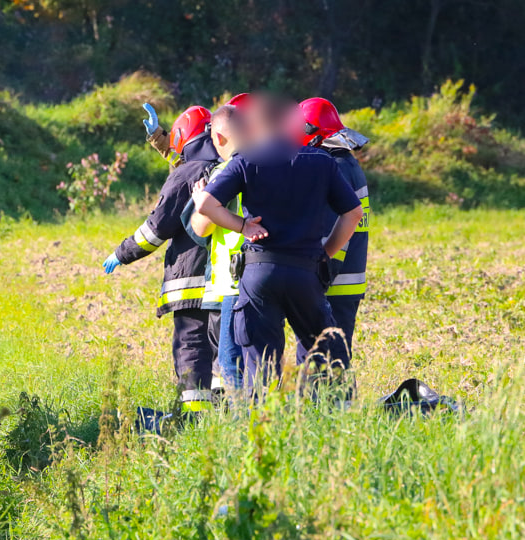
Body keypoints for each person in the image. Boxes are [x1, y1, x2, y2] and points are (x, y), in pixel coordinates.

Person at [193, 100, 363, 396]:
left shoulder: (246, 160)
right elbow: (353, 213)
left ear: (253, 127)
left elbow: (207, 204)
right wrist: (326, 253)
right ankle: (327, 419)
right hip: (306, 273)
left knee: (260, 365)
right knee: (324, 353)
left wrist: (243, 226)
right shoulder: (320, 161)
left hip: (259, 274)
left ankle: (261, 430)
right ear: (290, 124)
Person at [103, 106, 221, 413]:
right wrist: (158, 139)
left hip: (191, 285)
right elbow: (193, 164)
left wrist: (121, 253)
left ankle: (196, 420)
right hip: (226, 283)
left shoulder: (185, 175)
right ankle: (225, 418)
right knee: (224, 351)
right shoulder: (227, 167)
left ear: (183, 137)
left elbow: (155, 230)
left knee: (192, 349)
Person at [185, 93, 252, 400]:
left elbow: (200, 227)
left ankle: (241, 427)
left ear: (221, 137)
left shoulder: (226, 172)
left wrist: (201, 200)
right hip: (269, 277)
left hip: (232, 280)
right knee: (261, 360)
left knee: (229, 361)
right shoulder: (271, 162)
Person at [296, 97, 370, 355]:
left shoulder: (332, 167)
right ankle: (341, 397)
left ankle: (321, 398)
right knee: (338, 359)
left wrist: (318, 275)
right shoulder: (347, 162)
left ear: (310, 132)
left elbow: (331, 229)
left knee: (318, 358)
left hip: (333, 280)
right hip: (349, 280)